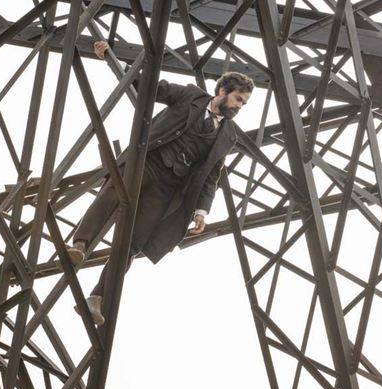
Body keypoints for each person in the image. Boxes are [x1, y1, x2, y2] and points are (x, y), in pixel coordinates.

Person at [67, 40, 254, 324]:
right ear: (223, 91)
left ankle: (97, 298)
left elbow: (211, 176)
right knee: (113, 193)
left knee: (133, 241)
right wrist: (111, 58)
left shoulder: (228, 136)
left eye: (243, 103)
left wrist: (201, 211)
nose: (240, 107)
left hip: (170, 186)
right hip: (149, 161)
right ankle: (79, 245)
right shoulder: (191, 96)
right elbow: (148, 87)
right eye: (238, 100)